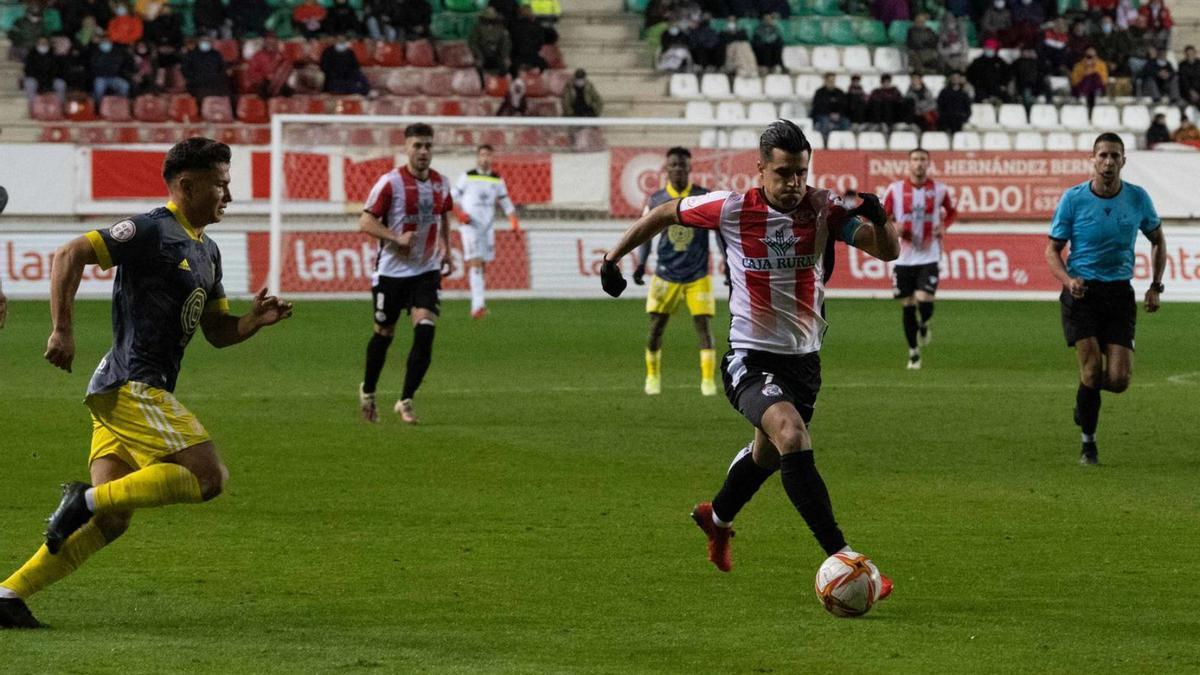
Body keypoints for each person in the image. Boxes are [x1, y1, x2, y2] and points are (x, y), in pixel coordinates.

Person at [0, 138, 294, 629]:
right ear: (187, 184)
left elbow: (219, 333)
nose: (229, 195)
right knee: (208, 477)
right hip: (134, 384)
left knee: (112, 521)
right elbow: (70, 254)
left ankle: (8, 594)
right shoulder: (152, 229)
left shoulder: (209, 250)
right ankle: (82, 499)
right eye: (221, 184)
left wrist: (253, 321)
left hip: (122, 391)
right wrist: (62, 329)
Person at [597, 120, 900, 595]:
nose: (793, 183)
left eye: (800, 172)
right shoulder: (732, 208)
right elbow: (663, 213)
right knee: (791, 436)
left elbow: (888, 252)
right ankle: (844, 558)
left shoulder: (824, 209)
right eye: (782, 173)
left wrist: (880, 219)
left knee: (767, 455)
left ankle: (715, 519)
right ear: (760, 170)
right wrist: (612, 258)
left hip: (805, 361)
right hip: (750, 357)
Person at [1044, 132, 1166, 465]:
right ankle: (1089, 445)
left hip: (1119, 294)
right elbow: (1052, 251)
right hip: (1082, 294)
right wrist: (1068, 281)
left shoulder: (1138, 199)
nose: (1108, 162)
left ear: (1123, 161)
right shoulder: (1074, 199)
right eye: (1103, 155)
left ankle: (1084, 401)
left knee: (1118, 380)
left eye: (1115, 156)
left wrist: (1156, 285)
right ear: (1092, 159)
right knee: (1091, 370)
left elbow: (1158, 239)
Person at [357, 123, 455, 425]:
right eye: (417, 146)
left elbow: (443, 215)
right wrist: (396, 238)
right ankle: (369, 390)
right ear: (406, 148)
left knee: (425, 330)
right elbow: (365, 221)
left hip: (426, 270)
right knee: (383, 334)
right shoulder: (390, 183)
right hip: (391, 274)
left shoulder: (441, 183)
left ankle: (406, 399)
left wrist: (447, 247)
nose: (423, 151)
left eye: (428, 145)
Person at [629, 147, 717, 397]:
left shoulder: (703, 196)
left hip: (697, 274)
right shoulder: (656, 199)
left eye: (683, 165)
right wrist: (640, 262)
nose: (678, 169)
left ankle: (708, 381)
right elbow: (644, 233)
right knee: (656, 326)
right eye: (674, 165)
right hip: (665, 273)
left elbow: (719, 231)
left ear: (690, 168)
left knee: (703, 326)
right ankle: (652, 376)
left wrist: (731, 265)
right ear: (667, 169)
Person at [882, 148, 957, 369]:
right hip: (903, 257)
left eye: (923, 159)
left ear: (928, 163)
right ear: (909, 164)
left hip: (929, 255)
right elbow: (882, 217)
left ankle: (924, 323)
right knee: (908, 305)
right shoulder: (895, 190)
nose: (919, 163)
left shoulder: (940, 189)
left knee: (924, 300)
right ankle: (913, 351)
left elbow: (951, 211)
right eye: (915, 159)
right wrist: (893, 226)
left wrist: (944, 225)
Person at [451, 144, 519, 320]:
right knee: (476, 262)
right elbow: (450, 198)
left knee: (482, 265)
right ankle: (477, 306)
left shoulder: (497, 179)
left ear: (492, 158)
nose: (485, 158)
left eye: (488, 155)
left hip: (487, 227)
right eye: (482, 155)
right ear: (477, 157)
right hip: (470, 226)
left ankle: (479, 303)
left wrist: (514, 222)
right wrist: (459, 214)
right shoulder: (467, 176)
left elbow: (505, 202)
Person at [23, 36, 67, 107]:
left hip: (50, 80)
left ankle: (61, 107)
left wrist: (48, 81)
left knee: (61, 84)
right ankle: (32, 107)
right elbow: (28, 70)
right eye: (41, 43)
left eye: (45, 43)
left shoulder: (53, 55)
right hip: (36, 79)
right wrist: (40, 79)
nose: (43, 45)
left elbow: (57, 70)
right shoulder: (31, 55)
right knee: (29, 83)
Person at [811, 72, 849, 141]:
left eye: (833, 81)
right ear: (825, 81)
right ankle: (825, 143)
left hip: (838, 116)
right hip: (823, 116)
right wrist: (829, 114)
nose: (831, 82)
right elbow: (817, 107)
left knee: (846, 122)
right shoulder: (819, 92)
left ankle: (843, 141)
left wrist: (838, 114)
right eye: (830, 81)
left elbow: (844, 106)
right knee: (825, 122)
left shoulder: (840, 92)